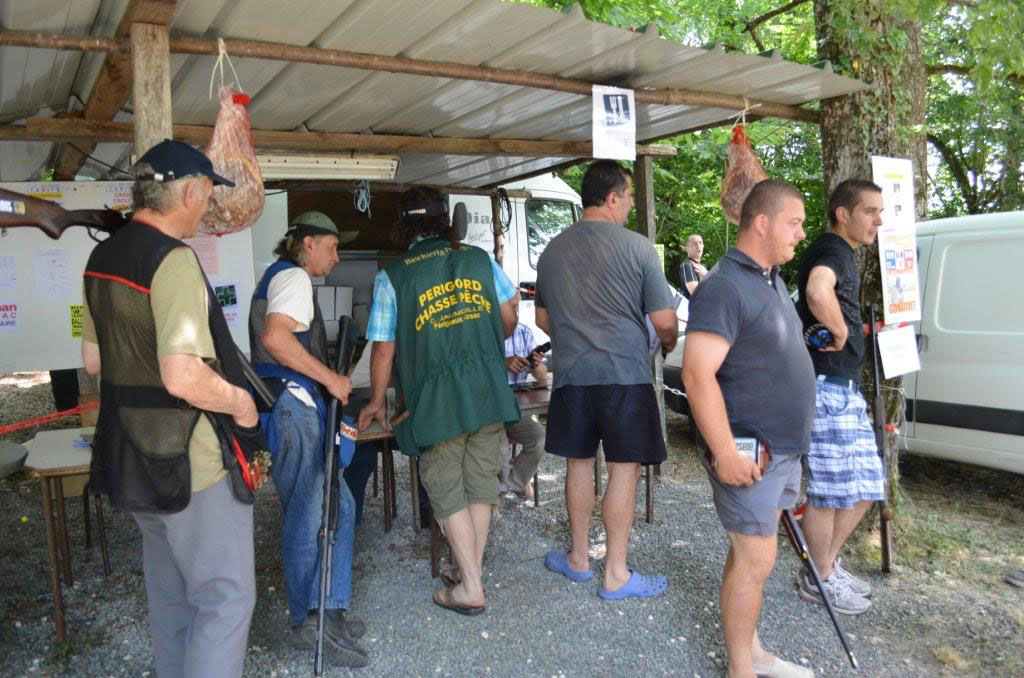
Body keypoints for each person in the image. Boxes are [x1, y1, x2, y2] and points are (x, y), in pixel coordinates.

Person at [81, 139, 259, 678]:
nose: (207, 206)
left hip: (132, 452)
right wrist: (242, 403)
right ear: (190, 193)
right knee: (224, 598)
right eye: (207, 194)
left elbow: (93, 360)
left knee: (172, 596)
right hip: (189, 459)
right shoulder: (173, 260)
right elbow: (182, 375)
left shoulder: (102, 257)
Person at [357, 186, 519, 616]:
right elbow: (509, 314)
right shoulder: (479, 259)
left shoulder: (394, 276)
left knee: (446, 491)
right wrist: (483, 337)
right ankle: (469, 574)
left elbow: (383, 349)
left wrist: (376, 401)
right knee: (481, 485)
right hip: (487, 390)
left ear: (403, 227)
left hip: (435, 401)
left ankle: (471, 588)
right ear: (444, 220)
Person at [682, 179, 816, 678]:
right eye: (794, 222)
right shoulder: (724, 286)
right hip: (749, 449)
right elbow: (697, 375)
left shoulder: (769, 278)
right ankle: (742, 668)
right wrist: (725, 451)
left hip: (781, 448)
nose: (801, 233)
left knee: (750, 556)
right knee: (756, 558)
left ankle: (753, 653)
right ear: (762, 223)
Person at [535, 159, 678, 600]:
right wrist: (666, 342)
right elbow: (665, 320)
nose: (632, 204)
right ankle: (615, 573)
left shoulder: (552, 250)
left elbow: (543, 319)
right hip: (625, 376)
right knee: (623, 470)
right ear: (612, 197)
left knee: (578, 464)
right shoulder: (639, 248)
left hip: (572, 376)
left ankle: (579, 559)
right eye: (630, 196)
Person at [248, 211, 367, 667]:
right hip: (294, 407)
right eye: (332, 247)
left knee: (339, 506)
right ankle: (309, 619)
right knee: (310, 509)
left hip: (291, 406)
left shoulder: (281, 277)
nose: (336, 257)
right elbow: (276, 339)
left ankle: (328, 610)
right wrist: (331, 379)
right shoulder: (294, 277)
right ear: (308, 244)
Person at [794, 179, 886, 615]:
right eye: (870, 211)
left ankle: (823, 567)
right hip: (826, 388)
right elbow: (817, 290)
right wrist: (842, 331)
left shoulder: (842, 251)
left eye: (880, 212)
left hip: (842, 389)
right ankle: (819, 578)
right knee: (830, 493)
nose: (878, 220)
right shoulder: (833, 249)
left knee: (868, 485)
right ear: (843, 214)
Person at [501, 322, 549, 500]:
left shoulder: (523, 331)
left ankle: (508, 485)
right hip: (490, 409)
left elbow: (542, 377)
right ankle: (511, 485)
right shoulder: (484, 330)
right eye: (510, 308)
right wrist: (503, 363)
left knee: (540, 440)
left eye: (516, 308)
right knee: (499, 450)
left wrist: (535, 364)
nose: (514, 312)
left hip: (518, 408)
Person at [679, 233, 708, 298]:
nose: (698, 246)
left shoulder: (703, 266)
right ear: (686, 249)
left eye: (700, 243)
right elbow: (696, 295)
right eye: (694, 244)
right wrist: (708, 276)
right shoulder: (687, 265)